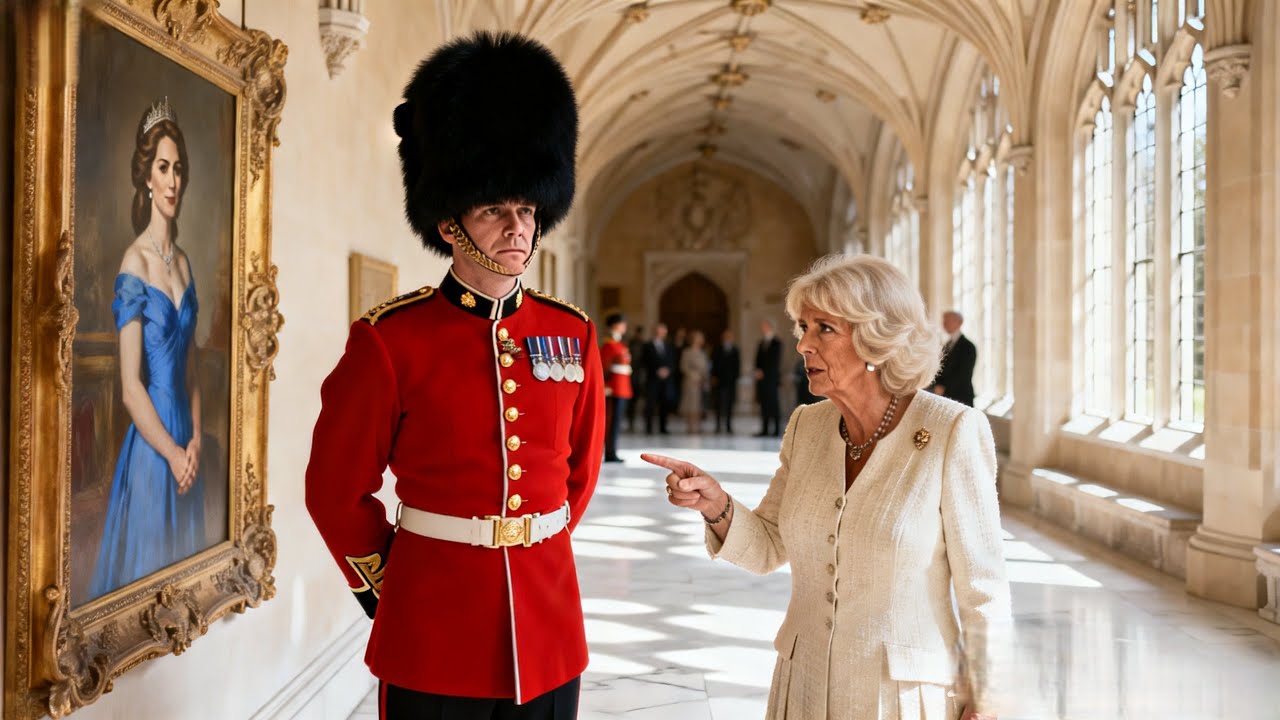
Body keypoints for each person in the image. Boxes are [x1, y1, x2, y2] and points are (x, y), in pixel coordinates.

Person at [305, 32, 602, 720]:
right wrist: (397, 587)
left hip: (549, 625)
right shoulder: (390, 341)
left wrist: (536, 545)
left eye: (527, 209)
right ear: (451, 223)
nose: (517, 227)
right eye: (494, 209)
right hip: (434, 629)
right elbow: (333, 490)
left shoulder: (571, 332)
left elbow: (577, 475)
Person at [643, 255, 1011, 720]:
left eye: (824, 329)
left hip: (901, 698)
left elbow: (984, 588)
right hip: (804, 687)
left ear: (875, 337)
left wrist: (991, 700)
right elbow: (768, 546)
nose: (803, 345)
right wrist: (717, 506)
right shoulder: (806, 426)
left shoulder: (952, 429)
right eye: (802, 327)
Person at [90, 97, 205, 599]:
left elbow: (193, 371)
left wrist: (197, 440)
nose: (174, 180)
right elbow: (130, 387)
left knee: (185, 586)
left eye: (178, 169)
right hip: (154, 447)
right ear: (147, 178)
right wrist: (174, 454)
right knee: (147, 584)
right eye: (164, 168)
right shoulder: (133, 263)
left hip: (187, 442)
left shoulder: (183, 264)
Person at [600, 312, 633, 462]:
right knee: (611, 422)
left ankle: (613, 451)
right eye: (622, 323)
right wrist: (606, 386)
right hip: (613, 388)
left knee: (617, 422)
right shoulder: (608, 345)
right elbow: (603, 367)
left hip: (622, 387)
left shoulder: (619, 344)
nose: (624, 327)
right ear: (615, 325)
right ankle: (610, 452)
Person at [934, 310, 977, 407]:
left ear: (959, 323)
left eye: (947, 321)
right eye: (943, 321)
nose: (944, 324)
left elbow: (964, 374)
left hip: (960, 397)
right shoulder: (946, 345)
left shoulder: (968, 347)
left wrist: (943, 386)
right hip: (944, 396)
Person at [642, 323, 676, 434]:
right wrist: (656, 371)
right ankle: (649, 428)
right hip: (652, 379)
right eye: (659, 330)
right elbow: (645, 362)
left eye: (663, 331)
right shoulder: (647, 345)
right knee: (650, 404)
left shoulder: (669, 346)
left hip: (666, 380)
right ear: (655, 331)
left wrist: (668, 370)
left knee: (664, 404)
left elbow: (672, 361)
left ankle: (663, 427)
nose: (661, 333)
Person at [754, 319, 783, 437]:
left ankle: (776, 430)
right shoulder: (761, 343)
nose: (762, 328)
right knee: (763, 403)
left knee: (773, 404)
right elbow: (757, 360)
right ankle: (765, 429)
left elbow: (774, 362)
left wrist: (764, 372)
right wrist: (757, 370)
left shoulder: (777, 343)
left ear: (770, 327)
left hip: (771, 379)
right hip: (761, 379)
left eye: (765, 326)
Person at [710, 329, 741, 433]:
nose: (728, 338)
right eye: (726, 336)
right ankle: (718, 426)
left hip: (731, 382)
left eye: (730, 336)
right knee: (718, 404)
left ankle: (728, 426)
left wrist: (735, 378)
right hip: (719, 381)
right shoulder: (717, 349)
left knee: (730, 404)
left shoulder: (735, 350)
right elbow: (714, 364)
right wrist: (713, 376)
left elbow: (737, 366)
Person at [679, 330, 709, 433]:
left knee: (699, 405)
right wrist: (694, 376)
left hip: (701, 382)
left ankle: (698, 426)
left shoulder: (702, 352)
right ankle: (690, 426)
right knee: (690, 405)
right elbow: (684, 366)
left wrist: (704, 378)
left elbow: (705, 367)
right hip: (690, 382)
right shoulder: (687, 352)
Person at [626, 325, 647, 432]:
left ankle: (637, 422)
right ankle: (631, 423)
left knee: (639, 401)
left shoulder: (644, 345)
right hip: (632, 376)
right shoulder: (631, 344)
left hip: (640, 377)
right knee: (632, 402)